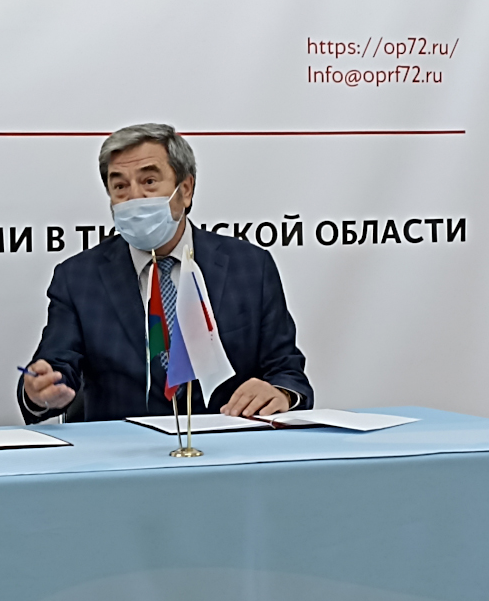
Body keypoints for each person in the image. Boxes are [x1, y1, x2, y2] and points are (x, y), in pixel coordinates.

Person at [18, 123, 312, 422]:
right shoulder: (78, 278)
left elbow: (287, 371)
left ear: (185, 190)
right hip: (124, 447)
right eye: (120, 186)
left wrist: (281, 392)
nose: (134, 197)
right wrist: (40, 391)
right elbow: (55, 368)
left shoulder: (250, 267)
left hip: (228, 440)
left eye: (149, 181)